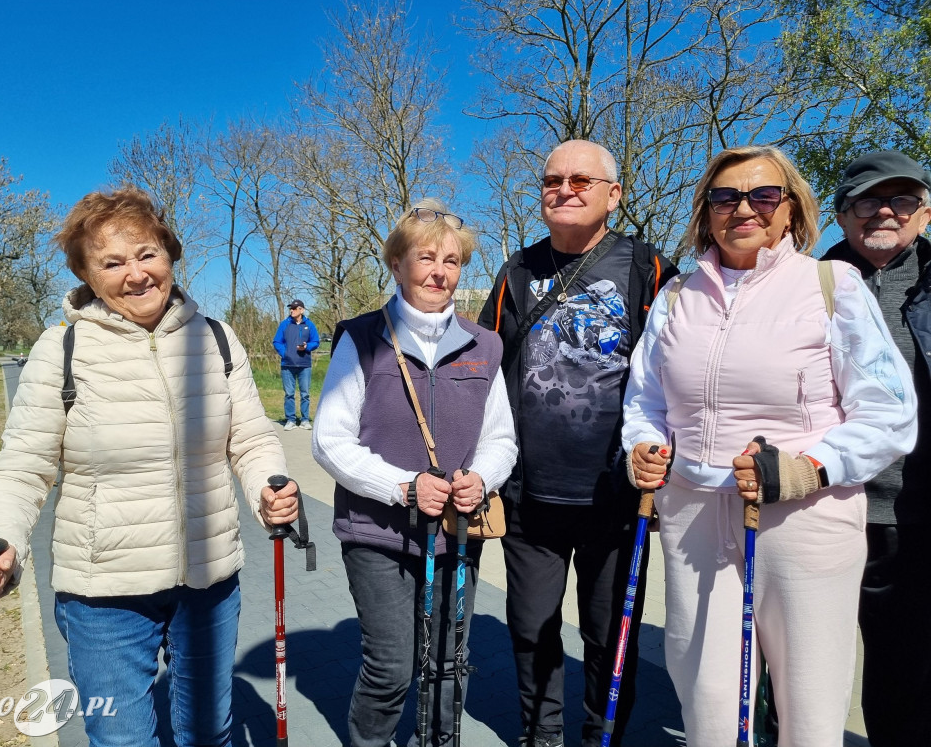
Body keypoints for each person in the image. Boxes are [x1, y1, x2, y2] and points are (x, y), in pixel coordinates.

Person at [0, 185, 300, 747]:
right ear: (88, 277)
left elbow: (251, 436)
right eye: (111, 263)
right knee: (122, 739)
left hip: (208, 581)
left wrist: (268, 486)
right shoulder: (59, 349)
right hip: (102, 593)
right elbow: (22, 465)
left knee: (210, 731)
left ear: (170, 254)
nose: (136, 274)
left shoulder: (216, 338)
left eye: (147, 254)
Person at [622, 145, 918, 747]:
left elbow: (890, 411)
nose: (744, 209)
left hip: (804, 517)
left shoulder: (831, 284)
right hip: (694, 514)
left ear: (790, 211)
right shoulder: (678, 296)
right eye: (726, 197)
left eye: (764, 195)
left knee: (808, 705)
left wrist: (811, 468)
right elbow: (644, 400)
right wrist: (645, 443)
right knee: (707, 698)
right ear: (708, 212)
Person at [477, 139, 677, 747]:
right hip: (530, 502)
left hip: (617, 502)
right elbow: (482, 371)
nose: (565, 189)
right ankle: (542, 736)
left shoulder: (650, 269)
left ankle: (602, 736)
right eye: (553, 180)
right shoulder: (516, 272)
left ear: (614, 195)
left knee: (609, 636)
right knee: (531, 631)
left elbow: (680, 372)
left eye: (582, 181)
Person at [312, 198, 517, 747]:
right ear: (397, 265)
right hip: (376, 534)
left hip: (454, 533)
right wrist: (403, 487)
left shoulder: (485, 345)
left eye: (451, 261)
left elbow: (501, 438)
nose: (439, 271)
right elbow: (329, 441)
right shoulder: (360, 337)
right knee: (391, 668)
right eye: (424, 258)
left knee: (451, 663)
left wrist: (483, 478)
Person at [820, 150, 931, 745]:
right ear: (841, 214)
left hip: (913, 516)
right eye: (868, 199)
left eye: (903, 199)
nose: (886, 211)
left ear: (925, 212)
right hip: (822, 507)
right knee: (803, 667)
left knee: (905, 675)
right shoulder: (804, 285)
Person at [273, 298, 320, 431]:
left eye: (294, 308)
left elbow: (316, 341)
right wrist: (285, 353)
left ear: (301, 310)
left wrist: (307, 346)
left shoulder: (309, 325)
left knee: (305, 394)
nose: (292, 311)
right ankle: (290, 420)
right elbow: (277, 342)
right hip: (287, 365)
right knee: (289, 394)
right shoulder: (285, 324)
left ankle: (305, 420)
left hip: (304, 365)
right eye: (291, 308)